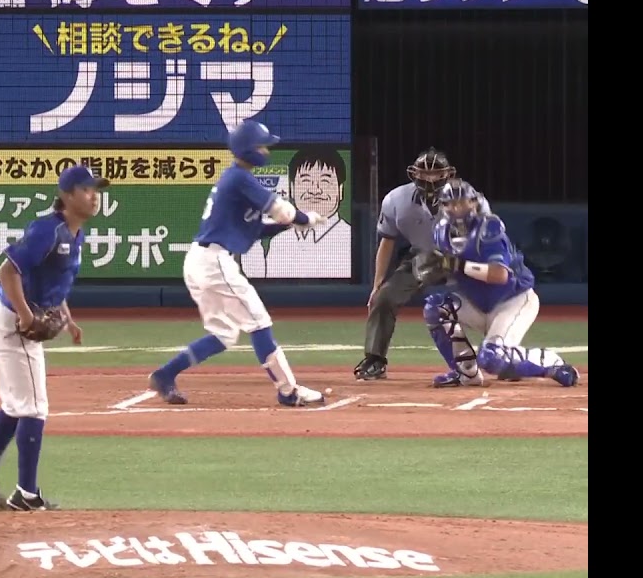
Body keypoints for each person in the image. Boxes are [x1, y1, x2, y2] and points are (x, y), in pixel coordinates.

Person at [148, 120, 328, 407]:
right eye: (262, 146)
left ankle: (165, 374)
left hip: (201, 260)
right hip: (214, 262)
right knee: (258, 322)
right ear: (249, 149)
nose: (266, 151)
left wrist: (294, 223)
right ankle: (288, 391)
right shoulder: (240, 178)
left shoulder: (236, 180)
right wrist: (305, 218)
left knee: (224, 334)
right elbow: (282, 211)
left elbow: (259, 228)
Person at [0, 164, 105, 511]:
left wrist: (68, 320)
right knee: (34, 407)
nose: (94, 196)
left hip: (12, 318)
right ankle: (26, 494)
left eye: (96, 190)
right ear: (67, 195)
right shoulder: (47, 230)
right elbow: (7, 270)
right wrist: (26, 315)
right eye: (87, 189)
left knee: (16, 405)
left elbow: (53, 283)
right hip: (13, 321)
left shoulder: (74, 233)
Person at [416, 179, 579, 388]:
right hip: (477, 303)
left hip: (512, 300)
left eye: (462, 202)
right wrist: (434, 272)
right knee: (435, 307)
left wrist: (458, 264)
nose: (456, 209)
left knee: (492, 358)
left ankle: (551, 363)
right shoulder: (440, 232)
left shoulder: (489, 227)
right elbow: (451, 272)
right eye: (451, 204)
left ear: (473, 203)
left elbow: (500, 275)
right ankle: (466, 372)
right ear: (443, 206)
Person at [353, 147, 491, 381]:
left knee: (492, 304)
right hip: (423, 257)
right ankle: (375, 359)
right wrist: (377, 285)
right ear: (413, 174)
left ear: (448, 174)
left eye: (436, 173)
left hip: (464, 258)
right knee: (384, 298)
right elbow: (387, 242)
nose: (430, 178)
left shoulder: (471, 198)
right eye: (425, 173)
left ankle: (505, 355)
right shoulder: (396, 200)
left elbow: (486, 241)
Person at [240, 146, 351, 278]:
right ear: (292, 188)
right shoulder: (280, 241)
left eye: (325, 181)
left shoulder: (349, 238)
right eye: (306, 181)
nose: (315, 190)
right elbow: (259, 276)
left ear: (340, 189)